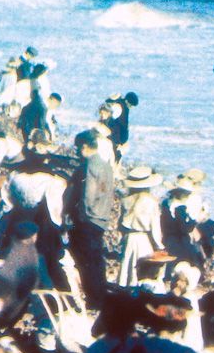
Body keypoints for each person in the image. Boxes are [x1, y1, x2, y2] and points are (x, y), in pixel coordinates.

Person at [66, 130, 115, 306]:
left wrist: (81, 215)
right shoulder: (106, 165)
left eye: (78, 148)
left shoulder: (90, 166)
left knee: (85, 261)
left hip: (89, 219)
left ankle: (93, 298)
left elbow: (89, 194)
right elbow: (104, 191)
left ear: (85, 146)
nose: (77, 152)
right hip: (102, 217)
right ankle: (100, 296)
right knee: (96, 260)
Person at [117, 165, 164, 286]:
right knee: (143, 272)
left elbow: (120, 225)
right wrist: (159, 245)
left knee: (127, 270)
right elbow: (155, 226)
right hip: (144, 239)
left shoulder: (126, 200)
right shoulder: (151, 201)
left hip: (129, 238)